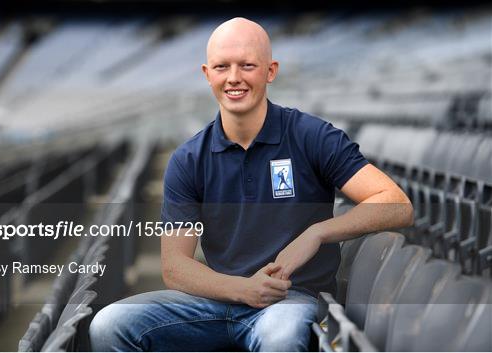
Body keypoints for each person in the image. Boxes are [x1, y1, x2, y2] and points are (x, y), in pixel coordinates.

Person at [89, 17, 413, 352]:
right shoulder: (188, 159)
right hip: (217, 301)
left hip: (291, 301)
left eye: (247, 65)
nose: (233, 78)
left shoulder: (312, 136)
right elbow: (175, 268)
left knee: (280, 337)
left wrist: (317, 233)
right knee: (110, 324)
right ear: (206, 74)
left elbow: (396, 203)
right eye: (221, 67)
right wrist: (241, 289)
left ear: (270, 71)